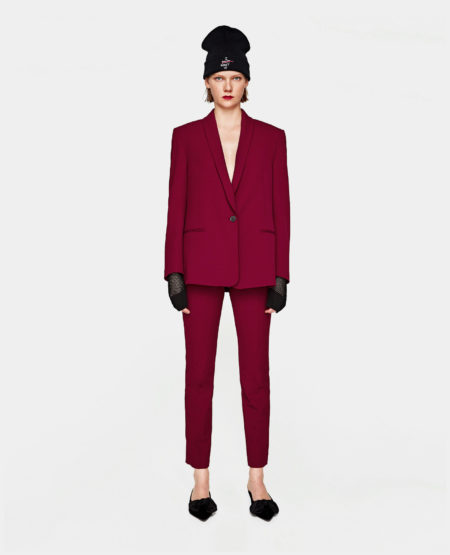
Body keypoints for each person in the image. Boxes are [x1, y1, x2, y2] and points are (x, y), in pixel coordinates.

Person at [163, 25, 290, 521]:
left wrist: (281, 275)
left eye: (236, 77)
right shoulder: (185, 137)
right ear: (207, 83)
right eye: (220, 78)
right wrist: (173, 272)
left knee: (256, 377)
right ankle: (201, 480)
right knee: (199, 375)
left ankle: (257, 479)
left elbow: (281, 207)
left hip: (257, 270)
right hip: (199, 270)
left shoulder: (273, 139)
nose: (228, 86)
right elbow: (176, 205)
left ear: (247, 82)